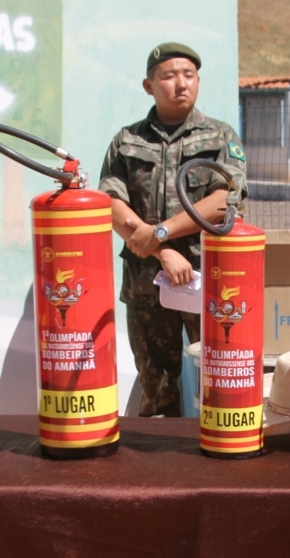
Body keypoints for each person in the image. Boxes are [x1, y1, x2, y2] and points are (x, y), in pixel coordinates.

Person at [98, 42, 247, 418]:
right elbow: (112, 206)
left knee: (220, 382)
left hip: (209, 281)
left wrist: (161, 233)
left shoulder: (220, 136)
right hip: (147, 285)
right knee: (158, 391)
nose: (181, 84)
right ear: (149, 85)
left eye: (189, 75)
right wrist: (161, 250)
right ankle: (159, 472)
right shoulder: (127, 141)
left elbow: (224, 201)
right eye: (169, 76)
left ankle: (218, 464)